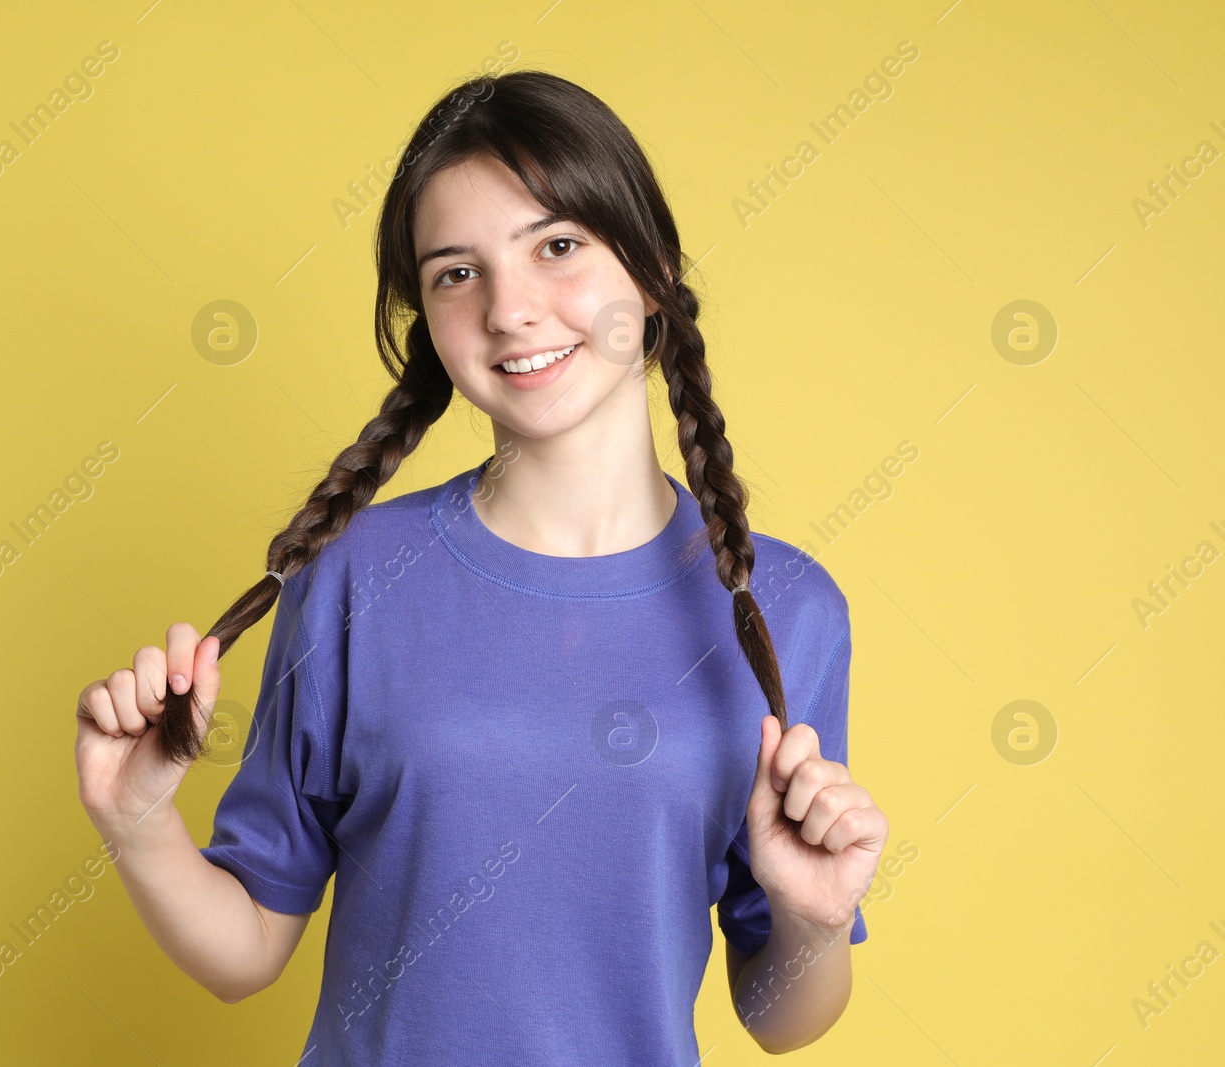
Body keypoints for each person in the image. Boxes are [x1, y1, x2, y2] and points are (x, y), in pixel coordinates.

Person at [75, 68, 888, 1064]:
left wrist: (809, 919)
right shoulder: (353, 576)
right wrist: (136, 817)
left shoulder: (787, 609)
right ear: (427, 319)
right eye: (455, 272)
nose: (510, 310)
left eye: (556, 245)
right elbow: (244, 948)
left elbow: (778, 1015)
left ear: (650, 267)